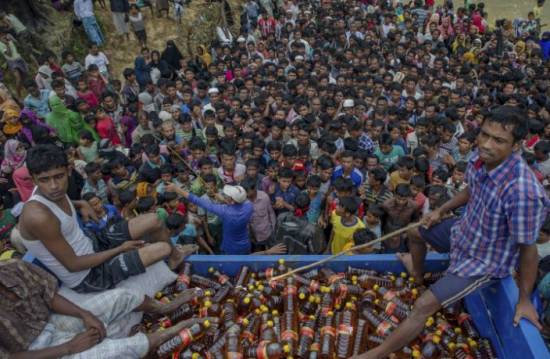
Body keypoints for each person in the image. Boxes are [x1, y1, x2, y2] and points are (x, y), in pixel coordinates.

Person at [355, 107, 549, 358]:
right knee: (415, 233)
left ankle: (376, 353)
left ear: (516, 146)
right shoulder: (480, 160)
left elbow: (528, 249)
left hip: (484, 260)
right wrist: (440, 211)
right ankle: (417, 273)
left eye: (498, 140)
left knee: (422, 306)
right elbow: (471, 190)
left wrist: (524, 300)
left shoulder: (523, 191)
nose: (487, 144)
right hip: (463, 231)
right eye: (485, 135)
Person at [18, 144, 194, 293]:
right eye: (44, 180)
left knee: (153, 219)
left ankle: (176, 256)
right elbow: (73, 265)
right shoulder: (38, 216)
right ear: (33, 180)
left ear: (68, 170)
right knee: (162, 248)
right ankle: (170, 256)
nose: (54, 186)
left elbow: (59, 202)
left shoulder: (54, 193)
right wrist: (119, 250)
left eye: (59, 176)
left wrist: (81, 204)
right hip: (88, 276)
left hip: (93, 243)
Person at [0, 258, 214, 358]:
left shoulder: (14, 268)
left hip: (51, 322)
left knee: (122, 297)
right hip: (35, 353)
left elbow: (49, 295)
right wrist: (68, 348)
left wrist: (84, 314)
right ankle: (180, 328)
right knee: (115, 350)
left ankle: (163, 309)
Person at [165, 182, 254, 255]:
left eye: (228, 195)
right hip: (245, 244)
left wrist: (176, 189)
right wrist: (225, 201)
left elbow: (198, 200)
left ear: (232, 200)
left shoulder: (224, 211)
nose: (225, 195)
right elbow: (237, 205)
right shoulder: (249, 206)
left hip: (230, 247)